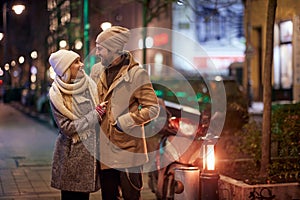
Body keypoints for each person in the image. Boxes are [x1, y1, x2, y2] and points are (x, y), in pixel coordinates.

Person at [90, 26, 160, 200]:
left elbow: (153, 109)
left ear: (114, 50)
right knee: (108, 196)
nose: (97, 52)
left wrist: (125, 122)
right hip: (104, 150)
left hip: (129, 151)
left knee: (131, 197)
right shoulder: (96, 71)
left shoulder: (137, 74)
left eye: (100, 48)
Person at [48, 49, 107, 200]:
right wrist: (95, 114)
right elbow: (67, 127)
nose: (81, 65)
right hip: (70, 155)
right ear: (65, 68)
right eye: (76, 62)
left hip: (90, 153)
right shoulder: (57, 95)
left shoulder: (89, 85)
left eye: (80, 60)